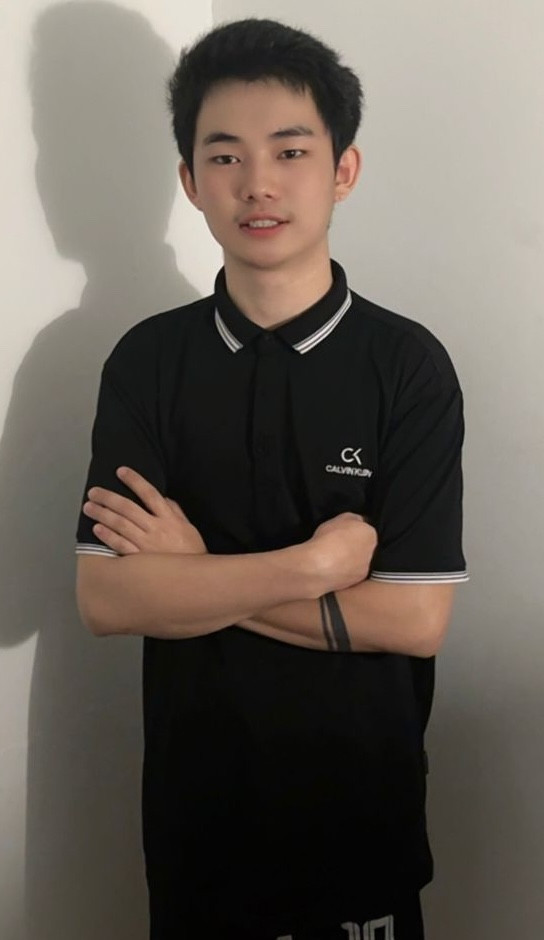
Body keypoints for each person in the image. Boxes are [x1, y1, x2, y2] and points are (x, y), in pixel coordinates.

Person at [75, 17, 468, 940]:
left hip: (362, 825)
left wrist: (192, 571)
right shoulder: (147, 362)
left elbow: (414, 620)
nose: (257, 183)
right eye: (225, 157)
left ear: (343, 170)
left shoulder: (406, 366)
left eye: (290, 151)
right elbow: (107, 598)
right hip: (196, 830)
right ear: (190, 181)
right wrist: (309, 569)